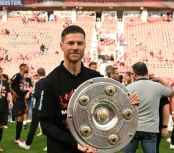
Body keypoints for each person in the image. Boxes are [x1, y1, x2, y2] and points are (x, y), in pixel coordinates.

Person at [38, 25, 140, 153]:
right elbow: (46, 126)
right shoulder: (49, 82)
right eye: (70, 43)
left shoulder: (95, 78)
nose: (75, 47)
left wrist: (129, 103)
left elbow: (110, 109)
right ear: (61, 45)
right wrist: (76, 143)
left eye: (79, 43)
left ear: (85, 46)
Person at [123, 62, 174, 153]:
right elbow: (172, 92)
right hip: (150, 128)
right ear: (147, 72)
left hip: (133, 128)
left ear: (134, 74)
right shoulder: (157, 86)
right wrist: (159, 79)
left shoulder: (129, 87)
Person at [18, 67, 46, 150]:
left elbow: (37, 95)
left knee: (33, 126)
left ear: (38, 73)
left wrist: (32, 91)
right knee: (48, 126)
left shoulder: (38, 83)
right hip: (46, 107)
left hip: (38, 107)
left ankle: (27, 144)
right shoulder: (48, 81)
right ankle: (49, 145)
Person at [9, 63, 32, 144]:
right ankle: (17, 138)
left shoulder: (23, 78)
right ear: (23, 68)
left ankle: (18, 137)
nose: (28, 68)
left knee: (21, 119)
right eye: (27, 67)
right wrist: (14, 93)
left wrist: (25, 103)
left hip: (22, 100)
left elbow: (22, 92)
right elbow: (8, 83)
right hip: (17, 100)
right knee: (19, 118)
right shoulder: (17, 75)